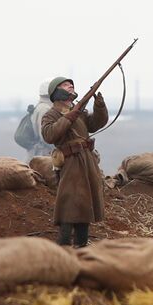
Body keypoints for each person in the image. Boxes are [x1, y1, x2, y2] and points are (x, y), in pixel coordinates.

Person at [40, 76, 108, 247]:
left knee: (85, 205)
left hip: (87, 161)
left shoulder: (79, 112)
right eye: (65, 85)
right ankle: (63, 246)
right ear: (57, 92)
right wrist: (69, 116)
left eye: (71, 85)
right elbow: (49, 135)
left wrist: (99, 106)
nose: (70, 86)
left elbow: (95, 124)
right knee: (69, 203)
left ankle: (81, 246)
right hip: (70, 162)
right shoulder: (51, 114)